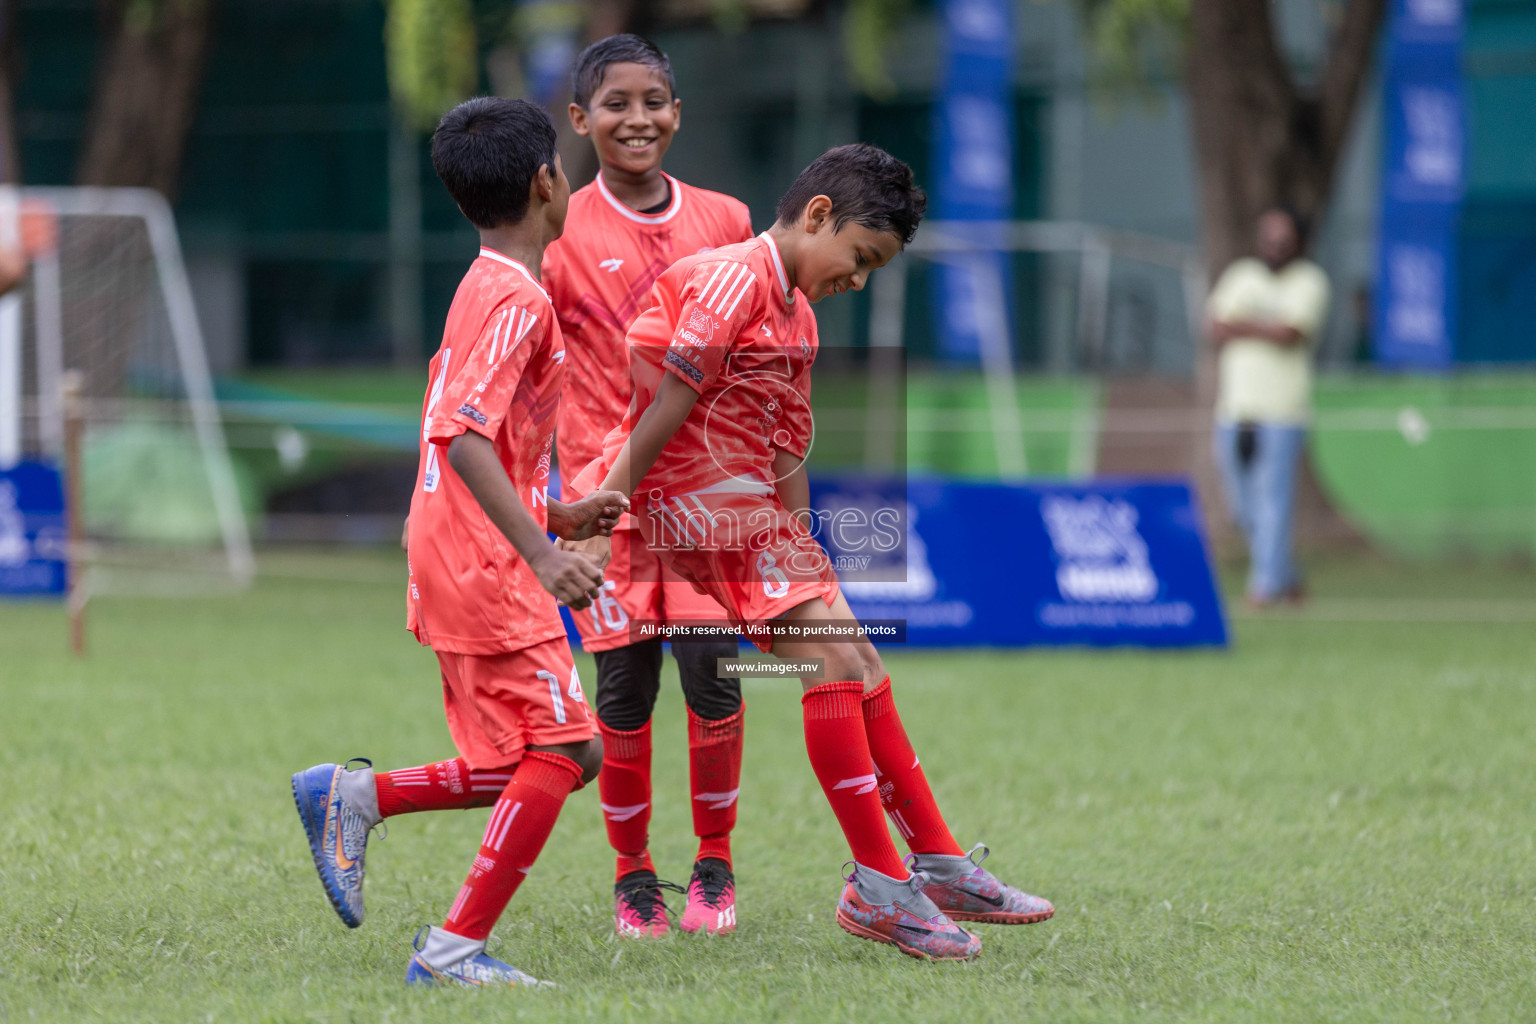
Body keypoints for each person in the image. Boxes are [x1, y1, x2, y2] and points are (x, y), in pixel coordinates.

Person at [565, 144, 1054, 961]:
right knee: (828, 663)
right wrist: (605, 505)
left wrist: (804, 548)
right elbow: (669, 399)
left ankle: (933, 862)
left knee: (857, 657)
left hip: (750, 512)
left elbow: (785, 443)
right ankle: (879, 887)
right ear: (819, 214)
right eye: (859, 258)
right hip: (693, 506)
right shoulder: (731, 276)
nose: (859, 278)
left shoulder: (798, 314)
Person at [289, 97, 629, 988]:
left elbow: (472, 441)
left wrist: (557, 515)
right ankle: (451, 951)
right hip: (487, 565)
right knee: (558, 751)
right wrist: (545, 553)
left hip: (461, 548)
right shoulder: (516, 299)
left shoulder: (483, 285)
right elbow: (461, 436)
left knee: (566, 753)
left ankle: (356, 797)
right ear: (547, 183)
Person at [542, 34, 756, 939]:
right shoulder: (553, 230)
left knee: (715, 676)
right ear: (580, 119)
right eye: (618, 105)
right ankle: (635, 876)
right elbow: (530, 369)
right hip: (603, 509)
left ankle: (716, 865)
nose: (639, 119)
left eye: (655, 101)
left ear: (678, 112)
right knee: (625, 694)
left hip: (708, 502)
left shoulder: (728, 221)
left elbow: (754, 362)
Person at [1207, 206, 1330, 608]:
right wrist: (1264, 328)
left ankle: (1264, 588)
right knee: (1242, 510)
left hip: (1283, 414)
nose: (1274, 245)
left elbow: (1291, 332)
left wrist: (1242, 324)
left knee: (1272, 504)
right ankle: (1287, 577)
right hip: (1235, 411)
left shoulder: (1310, 281)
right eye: (1268, 237)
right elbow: (1215, 326)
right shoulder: (1241, 275)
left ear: (1297, 240)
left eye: (1283, 238)